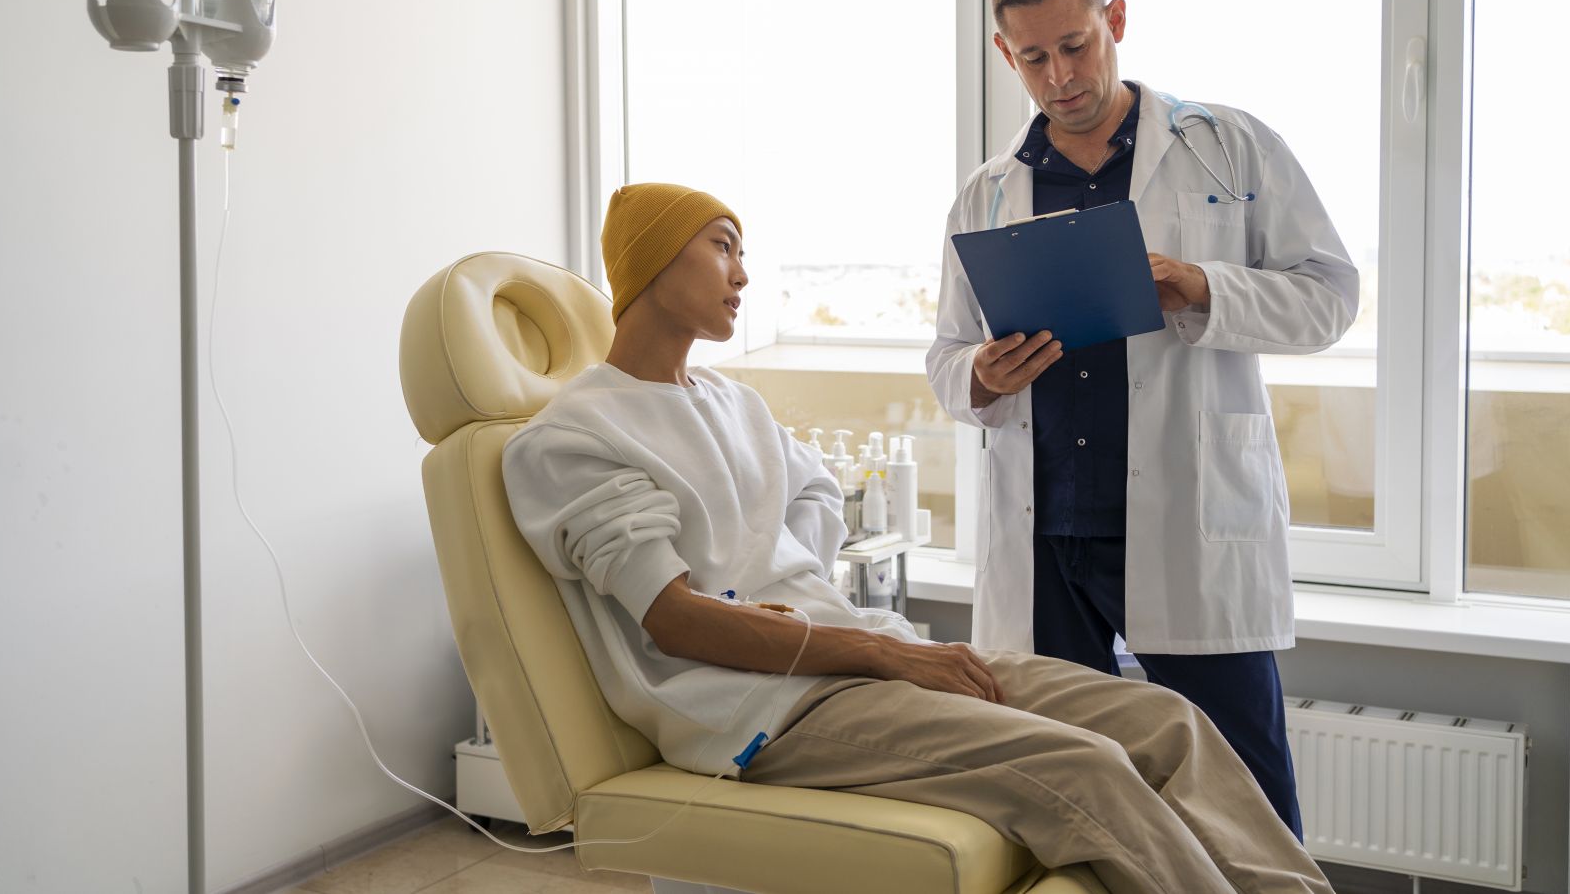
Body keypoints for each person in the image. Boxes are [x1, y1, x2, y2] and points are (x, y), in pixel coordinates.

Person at [502, 182, 1335, 894]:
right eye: (722, 247)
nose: (743, 273)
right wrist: (869, 650)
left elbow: (814, 491)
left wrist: (787, 592)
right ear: (651, 260)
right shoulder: (572, 435)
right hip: (768, 710)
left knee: (1168, 723)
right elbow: (676, 620)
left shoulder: (733, 402)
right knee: (1087, 767)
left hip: (853, 654)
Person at [925, 0, 1359, 840]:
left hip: (1185, 524)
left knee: (1244, 790)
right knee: (1065, 793)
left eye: (1076, 45)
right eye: (1034, 57)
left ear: (1114, 20)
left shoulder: (1228, 147)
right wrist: (978, 375)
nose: (1060, 76)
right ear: (1005, 54)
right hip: (1046, 536)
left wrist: (1203, 287)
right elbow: (948, 353)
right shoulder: (988, 193)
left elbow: (1330, 297)